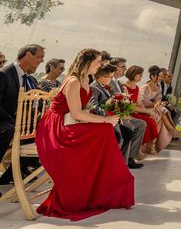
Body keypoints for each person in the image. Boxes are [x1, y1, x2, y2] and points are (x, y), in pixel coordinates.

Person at [35, 48, 134, 220]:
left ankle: (101, 187)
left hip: (69, 121)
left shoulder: (85, 79)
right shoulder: (73, 81)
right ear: (88, 62)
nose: (100, 65)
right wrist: (105, 120)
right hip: (56, 127)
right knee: (103, 130)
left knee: (103, 132)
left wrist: (105, 117)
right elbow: (77, 113)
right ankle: (96, 187)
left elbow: (81, 111)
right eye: (97, 62)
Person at [0, 44, 45, 185]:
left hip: (19, 121)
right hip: (5, 119)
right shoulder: (6, 74)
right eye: (40, 57)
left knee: (45, 126)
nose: (42, 61)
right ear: (28, 55)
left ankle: (15, 172)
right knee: (8, 130)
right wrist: (13, 120)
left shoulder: (28, 78)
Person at [89, 64, 144, 169]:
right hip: (105, 119)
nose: (111, 79)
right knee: (123, 134)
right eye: (110, 77)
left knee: (129, 130)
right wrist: (110, 112)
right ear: (102, 78)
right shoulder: (94, 88)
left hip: (115, 118)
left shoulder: (106, 86)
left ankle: (122, 162)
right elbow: (94, 107)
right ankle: (112, 164)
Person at [123, 65, 164, 154]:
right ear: (134, 74)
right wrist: (147, 111)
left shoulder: (136, 87)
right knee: (147, 121)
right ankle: (140, 149)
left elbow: (139, 103)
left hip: (136, 110)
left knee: (151, 119)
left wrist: (147, 112)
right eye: (140, 75)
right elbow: (130, 106)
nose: (141, 77)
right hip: (130, 112)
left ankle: (144, 147)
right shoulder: (124, 87)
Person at [139, 66, 180, 140]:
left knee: (162, 109)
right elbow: (144, 102)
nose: (161, 78)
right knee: (162, 109)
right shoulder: (145, 88)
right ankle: (172, 130)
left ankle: (170, 131)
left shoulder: (158, 87)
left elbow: (159, 97)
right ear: (152, 76)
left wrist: (159, 102)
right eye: (159, 76)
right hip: (144, 108)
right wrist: (157, 104)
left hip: (154, 107)